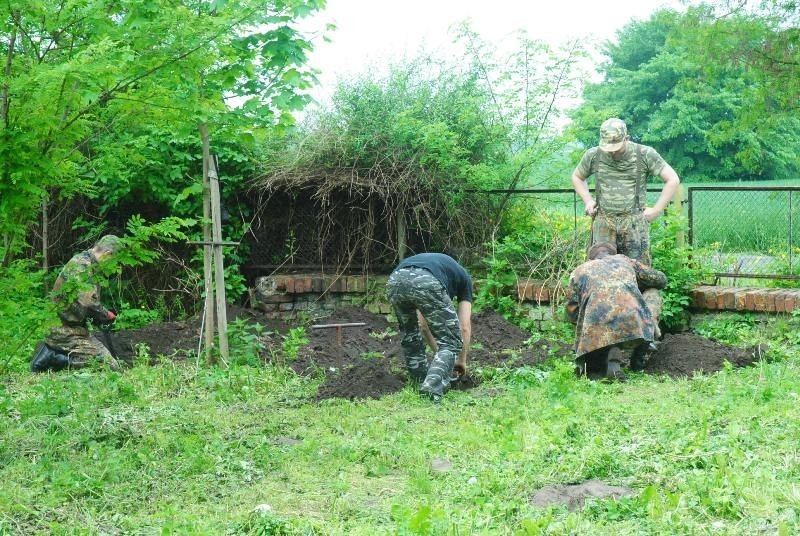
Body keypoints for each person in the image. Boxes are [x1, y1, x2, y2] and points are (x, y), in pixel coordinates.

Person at [570, 117, 680, 343]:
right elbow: (577, 177)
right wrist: (588, 201)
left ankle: (644, 337)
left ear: (627, 138)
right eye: (607, 147)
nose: (611, 152)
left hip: (634, 225)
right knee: (598, 278)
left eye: (616, 147)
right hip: (603, 223)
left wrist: (657, 210)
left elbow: (672, 179)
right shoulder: (593, 155)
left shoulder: (644, 154)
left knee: (641, 279)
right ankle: (598, 337)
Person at [565, 242, 667, 382]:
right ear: (613, 255)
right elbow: (661, 279)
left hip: (595, 329)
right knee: (653, 292)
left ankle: (598, 354)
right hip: (633, 324)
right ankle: (642, 350)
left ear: (590, 259)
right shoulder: (625, 260)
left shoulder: (579, 271)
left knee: (593, 323)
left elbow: (571, 310)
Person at [386, 253, 473, 402]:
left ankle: (418, 382)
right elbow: (464, 326)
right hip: (426, 280)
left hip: (395, 280)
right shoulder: (464, 279)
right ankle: (431, 388)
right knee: (452, 341)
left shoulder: (443, 269)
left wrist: (440, 356)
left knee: (411, 336)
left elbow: (423, 326)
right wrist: (460, 360)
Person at [31, 235, 124, 372]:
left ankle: (53, 352)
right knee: (109, 366)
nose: (114, 267)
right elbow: (88, 302)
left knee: (110, 365)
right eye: (114, 261)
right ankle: (52, 358)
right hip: (63, 329)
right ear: (108, 254)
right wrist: (104, 314)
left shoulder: (88, 263)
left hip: (75, 328)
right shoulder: (83, 266)